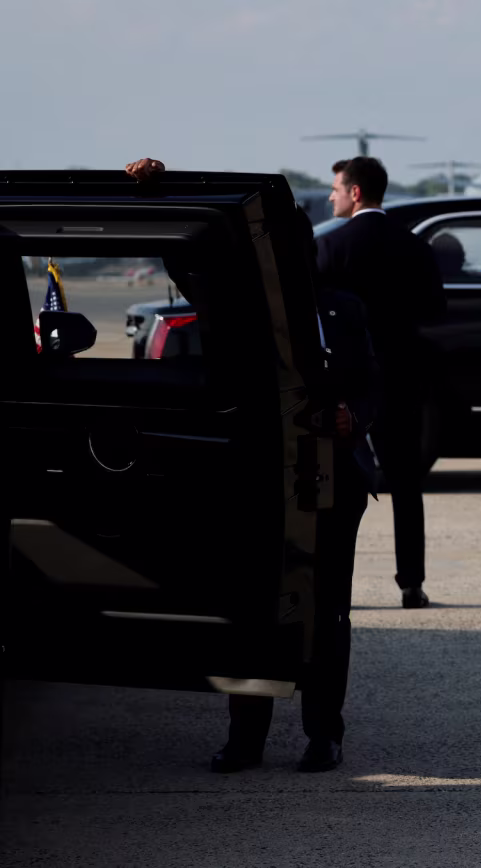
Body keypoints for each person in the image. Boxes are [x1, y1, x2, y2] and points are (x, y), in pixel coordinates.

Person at [124, 157, 380, 772]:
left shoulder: (343, 307)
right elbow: (183, 259)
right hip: (259, 483)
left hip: (331, 482)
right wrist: (161, 191)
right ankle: (247, 738)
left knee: (327, 611)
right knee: (253, 609)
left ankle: (324, 733)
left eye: (295, 238)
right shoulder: (235, 308)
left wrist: (354, 416)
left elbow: (372, 383)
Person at [316, 156, 446, 609]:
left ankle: (331, 585)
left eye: (336, 187)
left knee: (331, 483)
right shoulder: (414, 246)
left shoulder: (332, 246)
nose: (331, 195)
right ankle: (411, 583)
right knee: (406, 484)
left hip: (347, 384)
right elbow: (435, 312)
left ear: (355, 192)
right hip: (401, 377)